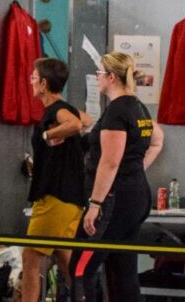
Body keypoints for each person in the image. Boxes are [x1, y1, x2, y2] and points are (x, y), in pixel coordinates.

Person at [70, 52, 164, 302]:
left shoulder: (117, 112)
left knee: (80, 270)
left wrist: (95, 204)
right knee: (123, 272)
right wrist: (134, 170)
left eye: (98, 73)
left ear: (111, 77)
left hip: (113, 200)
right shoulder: (138, 107)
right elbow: (157, 140)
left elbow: (110, 162)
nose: (96, 78)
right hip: (136, 195)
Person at [22, 58, 92, 302]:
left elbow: (74, 124)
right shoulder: (62, 109)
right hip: (70, 196)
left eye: (33, 77)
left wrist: (47, 135)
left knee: (31, 256)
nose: (30, 81)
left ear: (43, 83)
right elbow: (86, 121)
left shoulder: (57, 111)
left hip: (57, 196)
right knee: (65, 260)